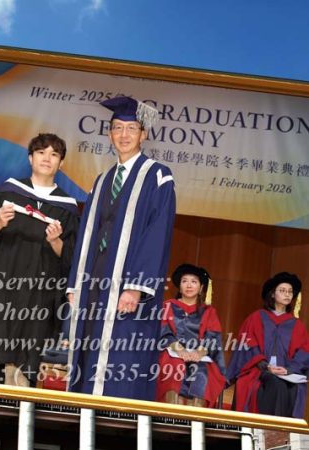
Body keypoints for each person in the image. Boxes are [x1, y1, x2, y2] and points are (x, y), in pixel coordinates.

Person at [66, 96, 176, 400]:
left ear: (144, 134)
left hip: (127, 283)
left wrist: (136, 287)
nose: (123, 135)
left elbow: (157, 234)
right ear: (109, 134)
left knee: (121, 352)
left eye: (131, 128)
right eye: (117, 128)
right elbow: (87, 233)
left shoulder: (157, 176)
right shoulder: (102, 180)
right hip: (95, 279)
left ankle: (114, 418)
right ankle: (83, 411)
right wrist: (75, 283)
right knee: (88, 343)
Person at [0, 133, 79, 386]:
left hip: (37, 290)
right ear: (30, 158)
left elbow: (71, 255)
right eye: (41, 152)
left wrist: (56, 240)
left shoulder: (67, 208)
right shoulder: (7, 192)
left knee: (24, 350)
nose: (47, 158)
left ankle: (16, 401)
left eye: (54, 154)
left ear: (61, 163)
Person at [226, 272, 309, 418]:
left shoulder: (297, 326)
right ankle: (272, 428)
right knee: (275, 382)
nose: (287, 294)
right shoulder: (256, 318)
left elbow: (304, 354)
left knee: (289, 386)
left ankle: (279, 429)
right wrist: (265, 366)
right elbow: (247, 347)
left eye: (290, 291)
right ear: (272, 294)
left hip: (286, 373)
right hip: (259, 370)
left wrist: (288, 369)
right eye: (282, 290)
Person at [155, 264, 225, 407]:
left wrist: (199, 352)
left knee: (202, 373)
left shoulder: (208, 311)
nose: (189, 285)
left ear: (201, 288)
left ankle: (195, 418)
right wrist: (179, 350)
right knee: (174, 368)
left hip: (199, 355)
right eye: (184, 281)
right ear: (179, 287)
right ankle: (171, 415)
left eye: (194, 281)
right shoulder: (167, 306)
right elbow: (164, 331)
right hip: (172, 352)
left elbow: (212, 337)